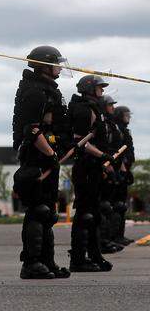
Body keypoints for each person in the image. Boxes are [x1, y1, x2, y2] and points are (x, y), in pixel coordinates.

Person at [12, 46, 72, 279]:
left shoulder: (47, 90)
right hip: (36, 156)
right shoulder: (35, 92)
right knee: (38, 210)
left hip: (48, 156)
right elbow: (31, 130)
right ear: (44, 66)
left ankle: (47, 262)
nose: (59, 67)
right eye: (56, 63)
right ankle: (31, 263)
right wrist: (50, 155)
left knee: (49, 213)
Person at [67, 75, 115, 272]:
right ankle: (78, 259)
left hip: (94, 167)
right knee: (85, 215)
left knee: (94, 215)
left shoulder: (94, 108)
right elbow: (80, 141)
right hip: (85, 167)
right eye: (99, 88)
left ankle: (95, 255)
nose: (102, 91)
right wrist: (102, 155)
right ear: (89, 88)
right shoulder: (83, 110)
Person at [98, 95, 125, 254]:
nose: (112, 108)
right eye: (110, 105)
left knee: (115, 206)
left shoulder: (110, 125)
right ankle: (102, 241)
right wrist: (105, 165)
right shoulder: (102, 124)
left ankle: (109, 239)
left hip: (112, 166)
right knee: (104, 207)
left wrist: (120, 166)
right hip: (102, 167)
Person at [112, 105, 135, 246]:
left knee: (122, 205)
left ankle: (120, 235)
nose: (128, 116)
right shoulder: (117, 129)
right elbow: (118, 151)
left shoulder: (125, 130)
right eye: (126, 114)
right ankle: (114, 236)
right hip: (120, 169)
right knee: (117, 205)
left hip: (126, 168)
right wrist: (122, 168)